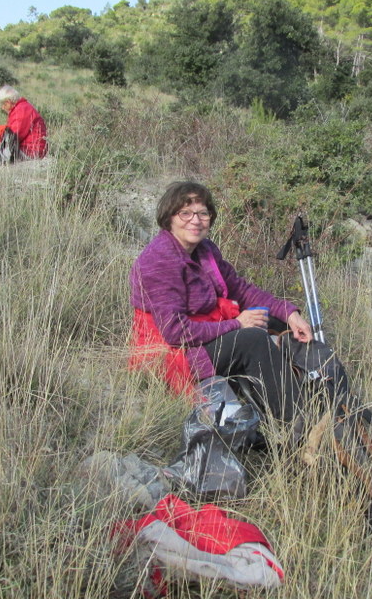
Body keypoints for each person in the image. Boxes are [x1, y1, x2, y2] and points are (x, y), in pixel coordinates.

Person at [130, 181, 312, 424]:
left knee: (276, 322)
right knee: (253, 339)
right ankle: (296, 423)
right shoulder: (160, 260)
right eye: (185, 213)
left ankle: (307, 394)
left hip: (202, 333)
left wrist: (289, 313)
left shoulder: (204, 250)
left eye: (203, 213)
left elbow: (240, 289)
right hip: (175, 354)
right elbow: (175, 332)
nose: (195, 220)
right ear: (169, 218)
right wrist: (237, 324)